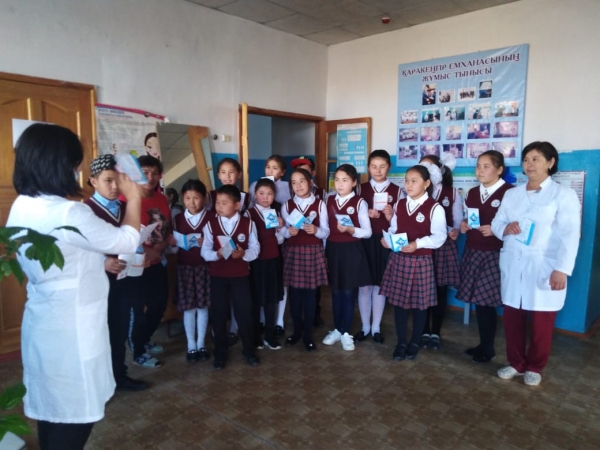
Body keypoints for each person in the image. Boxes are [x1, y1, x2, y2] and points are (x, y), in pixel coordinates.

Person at [7, 123, 142, 450]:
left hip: (43, 320)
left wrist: (98, 262)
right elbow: (126, 239)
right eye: (74, 162)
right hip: (74, 329)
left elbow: (65, 257)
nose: (78, 169)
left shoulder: (22, 205)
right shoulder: (69, 212)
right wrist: (136, 197)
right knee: (76, 412)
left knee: (52, 406)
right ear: (60, 164)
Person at [491, 141, 580, 386]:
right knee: (512, 319)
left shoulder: (563, 195)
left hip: (544, 266)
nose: (529, 164)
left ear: (550, 163)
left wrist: (561, 269)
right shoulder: (512, 194)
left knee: (542, 323)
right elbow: (497, 222)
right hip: (514, 264)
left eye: (536, 159)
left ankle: (535, 366)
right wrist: (505, 228)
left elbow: (570, 235)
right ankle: (516, 363)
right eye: (526, 159)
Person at [85, 155, 148, 392]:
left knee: (119, 329)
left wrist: (140, 255)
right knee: (98, 333)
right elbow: (79, 249)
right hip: (97, 284)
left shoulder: (125, 208)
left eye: (117, 181)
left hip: (124, 280)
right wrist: (102, 262)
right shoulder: (85, 211)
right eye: (107, 181)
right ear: (93, 181)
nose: (114, 187)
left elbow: (133, 240)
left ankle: (118, 376)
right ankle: (98, 383)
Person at [380, 164, 446, 361]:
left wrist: (418, 244)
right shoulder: (400, 204)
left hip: (421, 261)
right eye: (407, 181)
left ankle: (415, 341)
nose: (408, 185)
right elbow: (394, 228)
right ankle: (401, 342)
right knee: (399, 304)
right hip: (400, 259)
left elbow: (440, 236)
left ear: (426, 184)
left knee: (420, 305)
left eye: (414, 181)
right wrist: (387, 239)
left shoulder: (434, 207)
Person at [457, 151, 514, 363]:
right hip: (473, 250)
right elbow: (470, 218)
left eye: (486, 166)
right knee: (478, 301)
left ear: (499, 170)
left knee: (486, 302)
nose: (480, 170)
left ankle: (488, 348)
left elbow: (518, 225)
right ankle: (483, 344)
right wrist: (464, 224)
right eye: (478, 166)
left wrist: (498, 230)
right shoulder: (472, 193)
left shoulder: (510, 193)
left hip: (495, 253)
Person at [201, 184, 260, 369]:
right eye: (217, 202)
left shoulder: (248, 224)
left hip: (240, 275)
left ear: (237, 205)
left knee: (244, 313)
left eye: (224, 203)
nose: (219, 206)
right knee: (218, 314)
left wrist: (244, 254)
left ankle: (249, 350)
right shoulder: (211, 225)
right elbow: (205, 251)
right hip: (218, 275)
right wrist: (216, 255)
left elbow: (255, 248)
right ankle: (220, 352)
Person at [126, 155, 172, 368]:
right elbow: (122, 234)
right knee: (137, 311)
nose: (150, 177)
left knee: (159, 305)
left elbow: (166, 229)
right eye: (145, 173)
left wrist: (159, 249)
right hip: (135, 265)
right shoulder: (127, 200)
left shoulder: (161, 199)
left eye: (154, 173)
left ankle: (144, 340)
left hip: (157, 262)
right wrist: (147, 251)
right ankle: (138, 351)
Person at [323, 164, 373, 352]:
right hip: (333, 249)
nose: (340, 184)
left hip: (352, 250)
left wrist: (351, 230)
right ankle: (337, 329)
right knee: (335, 291)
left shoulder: (360, 203)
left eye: (345, 180)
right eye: (337, 180)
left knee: (348, 292)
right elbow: (325, 228)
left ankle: (345, 332)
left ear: (353, 182)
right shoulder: (329, 200)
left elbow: (367, 232)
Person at [355, 150, 402, 344]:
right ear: (368, 168)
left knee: (380, 285)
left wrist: (391, 217)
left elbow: (402, 223)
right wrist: (365, 214)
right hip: (364, 242)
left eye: (382, 166)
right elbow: (352, 216)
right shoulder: (360, 189)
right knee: (365, 285)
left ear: (389, 167)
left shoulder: (397, 191)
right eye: (374, 166)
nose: (378, 170)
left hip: (384, 242)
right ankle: (365, 326)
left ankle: (376, 328)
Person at [280, 169, 329, 351]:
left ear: (310, 183)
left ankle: (308, 334)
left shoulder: (320, 204)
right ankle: (297, 332)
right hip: (293, 252)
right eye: (294, 182)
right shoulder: (287, 205)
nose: (298, 185)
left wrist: (316, 231)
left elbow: (326, 231)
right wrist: (288, 232)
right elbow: (282, 231)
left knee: (310, 295)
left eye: (302, 181)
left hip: (313, 251)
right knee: (295, 296)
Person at [419, 155, 462, 351]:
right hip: (422, 247)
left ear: (440, 170)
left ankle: (435, 331)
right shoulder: (416, 191)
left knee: (439, 289)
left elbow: (457, 221)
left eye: (431, 167)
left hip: (443, 248)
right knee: (422, 289)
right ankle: (423, 330)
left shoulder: (451, 193)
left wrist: (455, 230)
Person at [207, 157, 250, 345]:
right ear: (218, 175)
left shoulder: (246, 199)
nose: (227, 176)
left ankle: (236, 331)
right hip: (218, 265)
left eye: (231, 172)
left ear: (239, 174)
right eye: (223, 172)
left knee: (241, 304)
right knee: (219, 305)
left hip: (240, 265)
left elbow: (250, 233)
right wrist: (215, 253)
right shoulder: (211, 199)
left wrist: (244, 253)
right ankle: (219, 339)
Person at [173, 179, 212, 363]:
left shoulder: (211, 217)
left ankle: (201, 342)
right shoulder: (178, 219)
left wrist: (209, 243)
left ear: (204, 198)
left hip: (205, 267)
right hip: (185, 267)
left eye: (196, 198)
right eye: (188, 198)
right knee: (189, 308)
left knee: (203, 306)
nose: (192, 202)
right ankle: (191, 345)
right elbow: (173, 248)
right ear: (183, 197)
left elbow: (220, 242)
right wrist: (173, 242)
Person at [247, 178, 285, 350]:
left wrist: (279, 228)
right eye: (261, 193)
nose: (265, 197)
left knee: (271, 300)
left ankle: (269, 336)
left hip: (273, 260)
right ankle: (255, 336)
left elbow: (279, 240)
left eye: (269, 194)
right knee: (255, 300)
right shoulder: (248, 214)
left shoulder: (275, 214)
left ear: (274, 196)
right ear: (255, 195)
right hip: (256, 263)